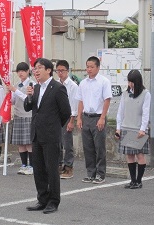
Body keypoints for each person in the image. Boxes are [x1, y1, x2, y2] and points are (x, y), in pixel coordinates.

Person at [24, 58, 71, 214]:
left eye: (39, 68)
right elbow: (27, 107)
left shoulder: (57, 88)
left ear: (49, 70)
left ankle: (53, 201)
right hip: (36, 135)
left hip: (51, 136)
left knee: (51, 170)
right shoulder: (35, 88)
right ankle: (42, 199)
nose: (36, 71)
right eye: (35, 68)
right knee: (38, 169)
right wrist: (29, 96)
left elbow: (66, 112)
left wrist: (54, 126)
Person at [76, 56, 112, 184]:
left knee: (99, 147)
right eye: (87, 66)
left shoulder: (104, 81)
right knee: (88, 147)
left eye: (92, 67)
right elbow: (80, 101)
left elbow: (107, 100)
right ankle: (90, 173)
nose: (89, 69)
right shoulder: (83, 83)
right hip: (86, 117)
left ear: (98, 67)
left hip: (98, 117)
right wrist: (79, 117)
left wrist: (102, 117)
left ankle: (100, 174)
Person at [115, 70, 151, 189]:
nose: (130, 84)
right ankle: (133, 180)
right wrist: (118, 128)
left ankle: (139, 181)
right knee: (129, 155)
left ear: (138, 82)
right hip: (126, 127)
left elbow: (146, 113)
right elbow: (120, 112)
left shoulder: (146, 94)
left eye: (132, 81)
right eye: (129, 81)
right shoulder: (125, 94)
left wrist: (142, 129)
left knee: (139, 155)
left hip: (138, 129)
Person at [7, 62, 35, 175]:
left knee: (29, 143)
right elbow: (14, 100)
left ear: (28, 71)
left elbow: (27, 98)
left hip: (28, 116)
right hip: (18, 115)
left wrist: (15, 90)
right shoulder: (17, 84)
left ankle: (32, 165)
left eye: (23, 71)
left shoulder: (31, 83)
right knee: (20, 143)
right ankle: (23, 164)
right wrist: (9, 95)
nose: (20, 73)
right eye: (18, 71)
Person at [56, 60, 78, 179]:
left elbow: (74, 105)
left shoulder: (73, 86)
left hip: (67, 117)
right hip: (56, 117)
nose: (60, 73)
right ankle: (59, 165)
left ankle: (69, 167)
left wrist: (71, 121)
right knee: (57, 143)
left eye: (62, 70)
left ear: (67, 71)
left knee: (67, 143)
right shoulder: (55, 83)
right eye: (58, 71)